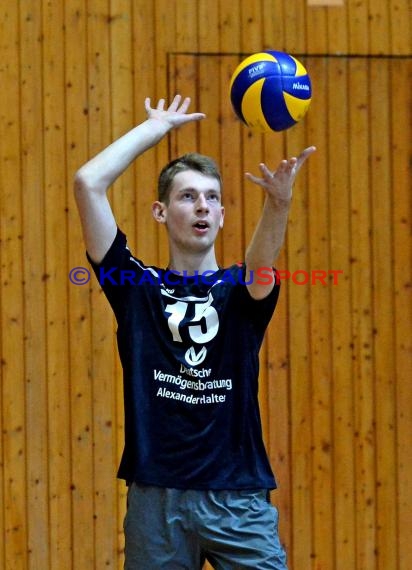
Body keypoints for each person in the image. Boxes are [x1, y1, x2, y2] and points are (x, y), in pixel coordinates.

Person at [74, 94, 315, 570]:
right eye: (187, 196)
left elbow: (261, 260)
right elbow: (88, 183)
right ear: (160, 213)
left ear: (223, 216)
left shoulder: (239, 294)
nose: (202, 207)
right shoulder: (136, 289)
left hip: (238, 498)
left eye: (212, 199)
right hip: (157, 501)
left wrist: (280, 203)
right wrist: (155, 129)